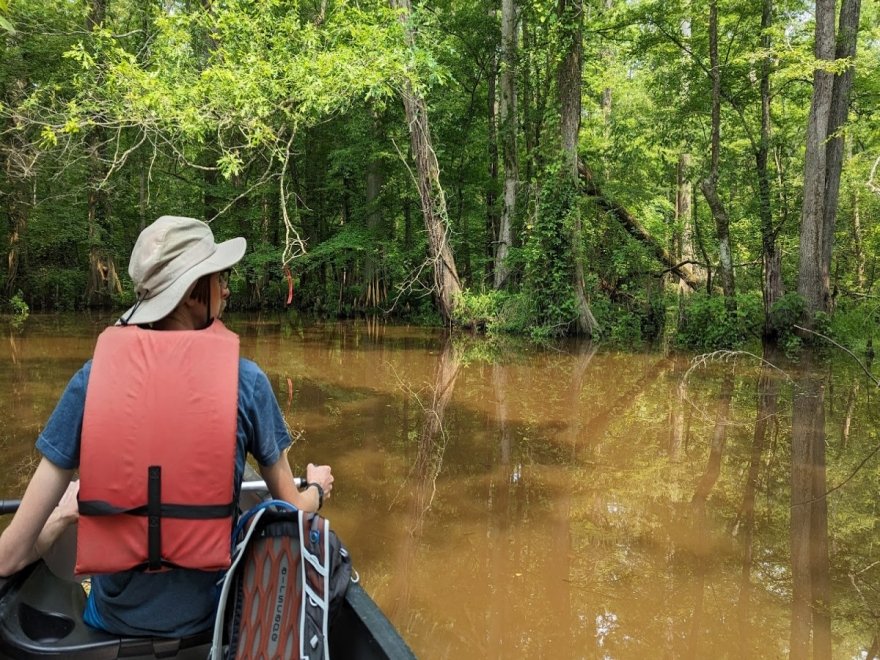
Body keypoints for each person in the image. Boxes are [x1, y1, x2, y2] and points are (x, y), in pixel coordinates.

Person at [0, 215, 333, 638]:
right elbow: (292, 508)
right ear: (194, 294)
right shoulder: (246, 382)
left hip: (112, 619)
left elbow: (9, 557)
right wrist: (318, 487)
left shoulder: (91, 379)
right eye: (220, 278)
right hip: (209, 621)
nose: (227, 289)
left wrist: (65, 513)